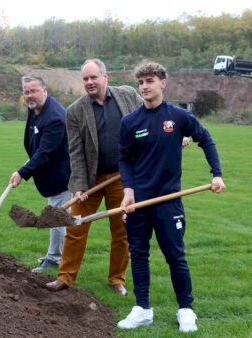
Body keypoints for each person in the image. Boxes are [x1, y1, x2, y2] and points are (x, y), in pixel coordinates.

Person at [116, 62, 226, 332]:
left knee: (175, 256)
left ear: (162, 83)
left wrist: (217, 174)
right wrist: (128, 191)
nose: (144, 87)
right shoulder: (130, 122)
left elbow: (205, 138)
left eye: (150, 81)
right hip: (139, 203)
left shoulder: (177, 117)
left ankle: (186, 309)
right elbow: (124, 159)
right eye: (141, 82)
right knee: (138, 255)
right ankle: (142, 308)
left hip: (168, 202)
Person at [45, 58, 143, 295]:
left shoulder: (128, 95)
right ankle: (65, 277)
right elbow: (76, 152)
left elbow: (152, 115)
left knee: (122, 231)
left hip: (122, 177)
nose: (89, 82)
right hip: (91, 179)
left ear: (105, 77)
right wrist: (78, 186)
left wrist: (174, 134)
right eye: (85, 79)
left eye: (93, 77)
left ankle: (117, 278)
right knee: (76, 227)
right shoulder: (75, 111)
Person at [10, 75, 72, 273]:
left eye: (34, 91)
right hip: (51, 171)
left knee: (56, 217)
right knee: (56, 213)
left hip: (62, 175)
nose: (30, 95)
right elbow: (37, 145)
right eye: (26, 92)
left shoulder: (55, 117)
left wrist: (22, 173)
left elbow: (45, 152)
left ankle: (55, 258)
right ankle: (55, 254)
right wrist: (28, 164)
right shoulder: (36, 109)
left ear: (44, 91)